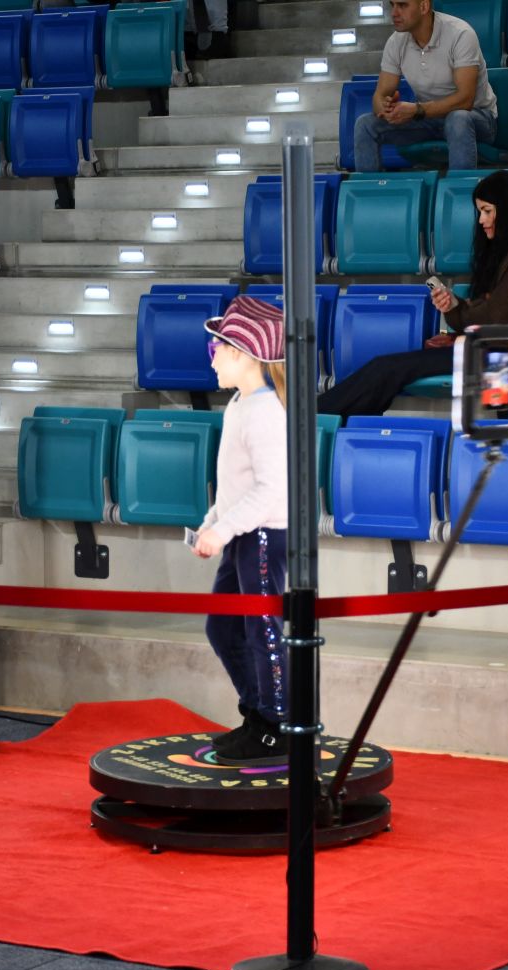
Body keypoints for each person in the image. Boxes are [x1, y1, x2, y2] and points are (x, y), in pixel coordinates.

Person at [319, 170, 508, 417]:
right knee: (385, 369)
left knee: (386, 368)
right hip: (495, 351)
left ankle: (314, 418)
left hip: (502, 355)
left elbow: (496, 318)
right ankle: (325, 420)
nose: (482, 221)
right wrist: (454, 309)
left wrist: (458, 312)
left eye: (487, 211)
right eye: (480, 212)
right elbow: (494, 315)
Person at [192, 296, 290, 765]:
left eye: (217, 351)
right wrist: (214, 522)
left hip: (263, 536)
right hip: (242, 534)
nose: (212, 360)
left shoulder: (266, 412)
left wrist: (224, 529)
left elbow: (271, 490)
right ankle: (258, 714)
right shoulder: (240, 404)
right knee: (224, 628)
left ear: (243, 355)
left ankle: (277, 725)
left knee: (262, 631)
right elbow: (236, 484)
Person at [354, 0, 498, 173]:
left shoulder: (461, 34)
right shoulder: (395, 42)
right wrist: (386, 108)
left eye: (402, 5)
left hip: (477, 118)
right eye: (392, 5)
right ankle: (370, 189)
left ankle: (459, 189)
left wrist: (417, 110)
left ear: (423, 6)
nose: (394, 13)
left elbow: (465, 100)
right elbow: (380, 96)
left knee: (458, 118)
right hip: (428, 119)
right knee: (365, 124)